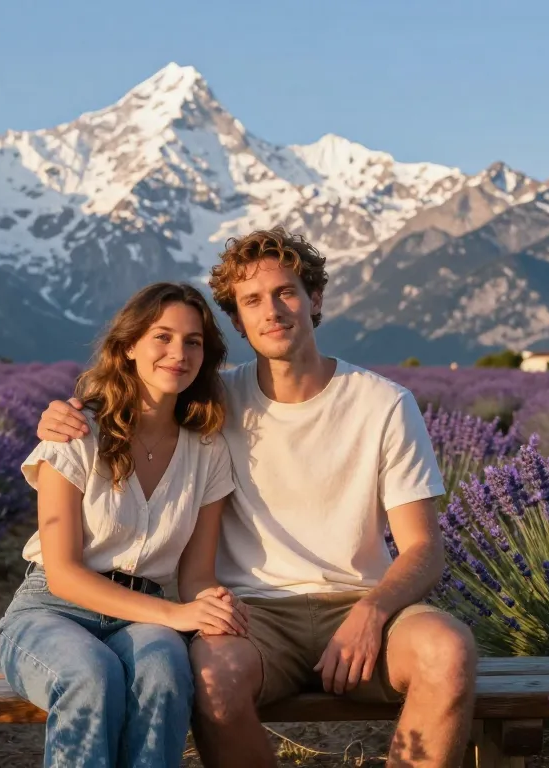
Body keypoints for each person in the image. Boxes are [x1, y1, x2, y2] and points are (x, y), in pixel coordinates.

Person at [34, 227, 479, 768]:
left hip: (360, 604)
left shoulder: (384, 404)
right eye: (251, 301)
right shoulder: (212, 404)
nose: (272, 311)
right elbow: (135, 403)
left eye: (286, 292)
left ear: (314, 300)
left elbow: (423, 549)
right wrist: (69, 412)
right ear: (238, 320)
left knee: (449, 652)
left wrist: (373, 609)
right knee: (211, 679)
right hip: (256, 615)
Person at [0, 281, 249, 768]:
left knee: (166, 670)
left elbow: (196, 575)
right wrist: (178, 617)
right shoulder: (76, 432)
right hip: (51, 609)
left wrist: (212, 605)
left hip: (144, 615)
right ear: (129, 346)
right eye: (162, 336)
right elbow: (65, 572)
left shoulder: (208, 450)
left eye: (193, 341)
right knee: (90, 674)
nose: (178, 352)